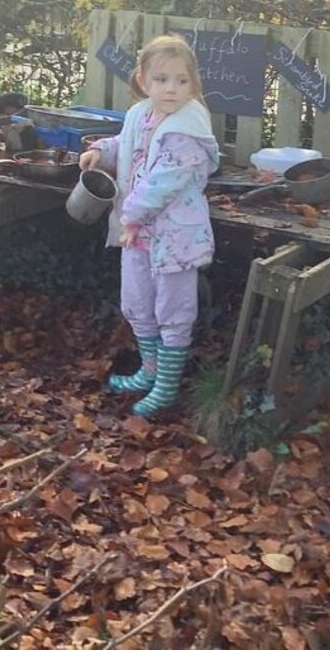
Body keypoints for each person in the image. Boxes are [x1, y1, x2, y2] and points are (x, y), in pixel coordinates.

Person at [79, 35, 219, 419]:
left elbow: (164, 181)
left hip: (174, 235)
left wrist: (130, 218)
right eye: (161, 79)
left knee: (173, 308)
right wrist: (101, 151)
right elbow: (127, 144)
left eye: (181, 80)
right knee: (137, 302)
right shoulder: (141, 114)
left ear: (193, 83)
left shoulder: (188, 129)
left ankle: (167, 388)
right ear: (143, 81)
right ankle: (150, 370)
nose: (171, 88)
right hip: (138, 235)